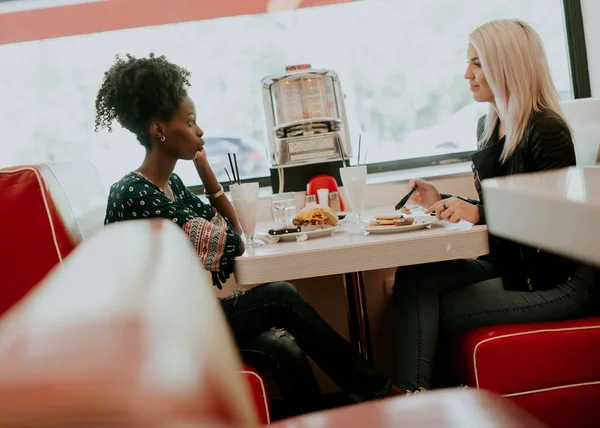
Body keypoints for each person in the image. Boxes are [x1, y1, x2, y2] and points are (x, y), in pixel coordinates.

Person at [95, 53, 400, 408]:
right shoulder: (133, 193)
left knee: (281, 347)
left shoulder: (171, 184)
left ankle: (325, 414)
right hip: (160, 329)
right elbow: (231, 243)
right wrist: (224, 230)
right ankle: (380, 392)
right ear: (158, 130)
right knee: (280, 296)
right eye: (191, 121)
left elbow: (230, 230)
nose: (200, 131)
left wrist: (206, 172)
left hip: (183, 314)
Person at [392, 20, 598, 392]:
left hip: (559, 280)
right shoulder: (489, 128)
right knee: (414, 275)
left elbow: (558, 222)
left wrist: (480, 213)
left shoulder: (546, 128)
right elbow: (504, 206)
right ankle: (422, 402)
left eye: (477, 63)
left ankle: (417, 402)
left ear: (507, 66)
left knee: (431, 313)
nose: (466, 74)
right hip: (515, 265)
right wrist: (445, 202)